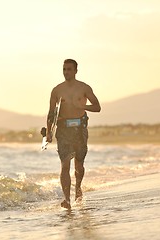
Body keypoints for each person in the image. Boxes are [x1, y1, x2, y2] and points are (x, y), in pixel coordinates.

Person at [46, 59, 101, 209]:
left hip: (79, 129)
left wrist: (82, 106)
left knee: (79, 164)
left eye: (69, 69)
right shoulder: (57, 90)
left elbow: (97, 107)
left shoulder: (84, 88)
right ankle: (67, 200)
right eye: (64, 69)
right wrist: (49, 132)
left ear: (76, 70)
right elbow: (51, 113)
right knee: (65, 164)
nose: (66, 72)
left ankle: (78, 188)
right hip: (63, 130)